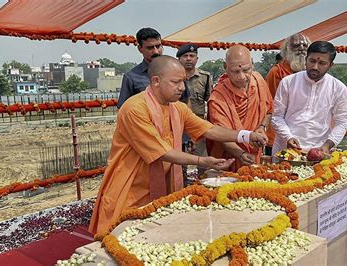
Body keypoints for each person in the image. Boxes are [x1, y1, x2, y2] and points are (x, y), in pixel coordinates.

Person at [89, 56, 267, 235]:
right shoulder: (135, 109)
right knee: (122, 243)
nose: (182, 87)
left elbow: (209, 130)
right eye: (176, 82)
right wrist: (202, 160)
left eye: (183, 81)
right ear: (156, 81)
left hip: (162, 184)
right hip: (130, 189)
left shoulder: (177, 108)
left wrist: (247, 135)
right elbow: (161, 152)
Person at [271, 41, 347, 155]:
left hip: (318, 152)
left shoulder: (338, 88)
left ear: (330, 65)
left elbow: (342, 121)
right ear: (306, 59)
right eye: (312, 61)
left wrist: (328, 145)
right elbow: (277, 116)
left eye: (322, 63)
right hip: (285, 151)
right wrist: (288, 137)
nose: (315, 67)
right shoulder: (288, 82)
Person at [207, 45, 273, 171]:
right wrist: (240, 153)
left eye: (246, 70)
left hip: (254, 155)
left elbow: (269, 110)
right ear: (225, 67)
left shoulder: (259, 81)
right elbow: (221, 136)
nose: (242, 76)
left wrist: (262, 127)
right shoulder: (218, 98)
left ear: (252, 64)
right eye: (235, 71)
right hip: (228, 161)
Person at [117, 28, 189, 108]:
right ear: (140, 49)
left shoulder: (176, 70)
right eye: (150, 48)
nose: (156, 51)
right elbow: (124, 108)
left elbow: (186, 102)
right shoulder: (131, 77)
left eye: (158, 46)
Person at [265, 33, 310, 155]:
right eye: (296, 46)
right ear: (287, 50)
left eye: (305, 45)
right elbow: (272, 108)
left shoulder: (311, 74)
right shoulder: (276, 73)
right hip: (278, 136)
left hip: (305, 136)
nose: (301, 48)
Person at [176, 43, 213, 174]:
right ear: (179, 59)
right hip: (179, 127)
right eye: (185, 56)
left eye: (192, 56)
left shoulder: (205, 77)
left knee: (203, 162)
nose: (189, 59)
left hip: (198, 126)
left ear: (197, 59)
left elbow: (211, 102)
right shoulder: (173, 77)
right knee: (180, 165)